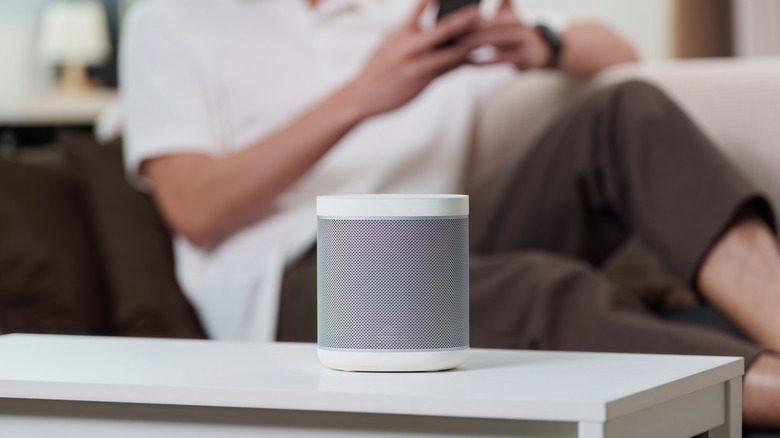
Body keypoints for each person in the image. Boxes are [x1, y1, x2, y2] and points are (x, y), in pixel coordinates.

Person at [121, 0, 780, 427]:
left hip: (445, 248)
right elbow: (194, 207)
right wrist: (364, 94)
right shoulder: (174, 19)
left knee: (629, 112)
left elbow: (621, 56)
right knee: (538, 288)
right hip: (301, 281)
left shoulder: (404, 16)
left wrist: (541, 43)